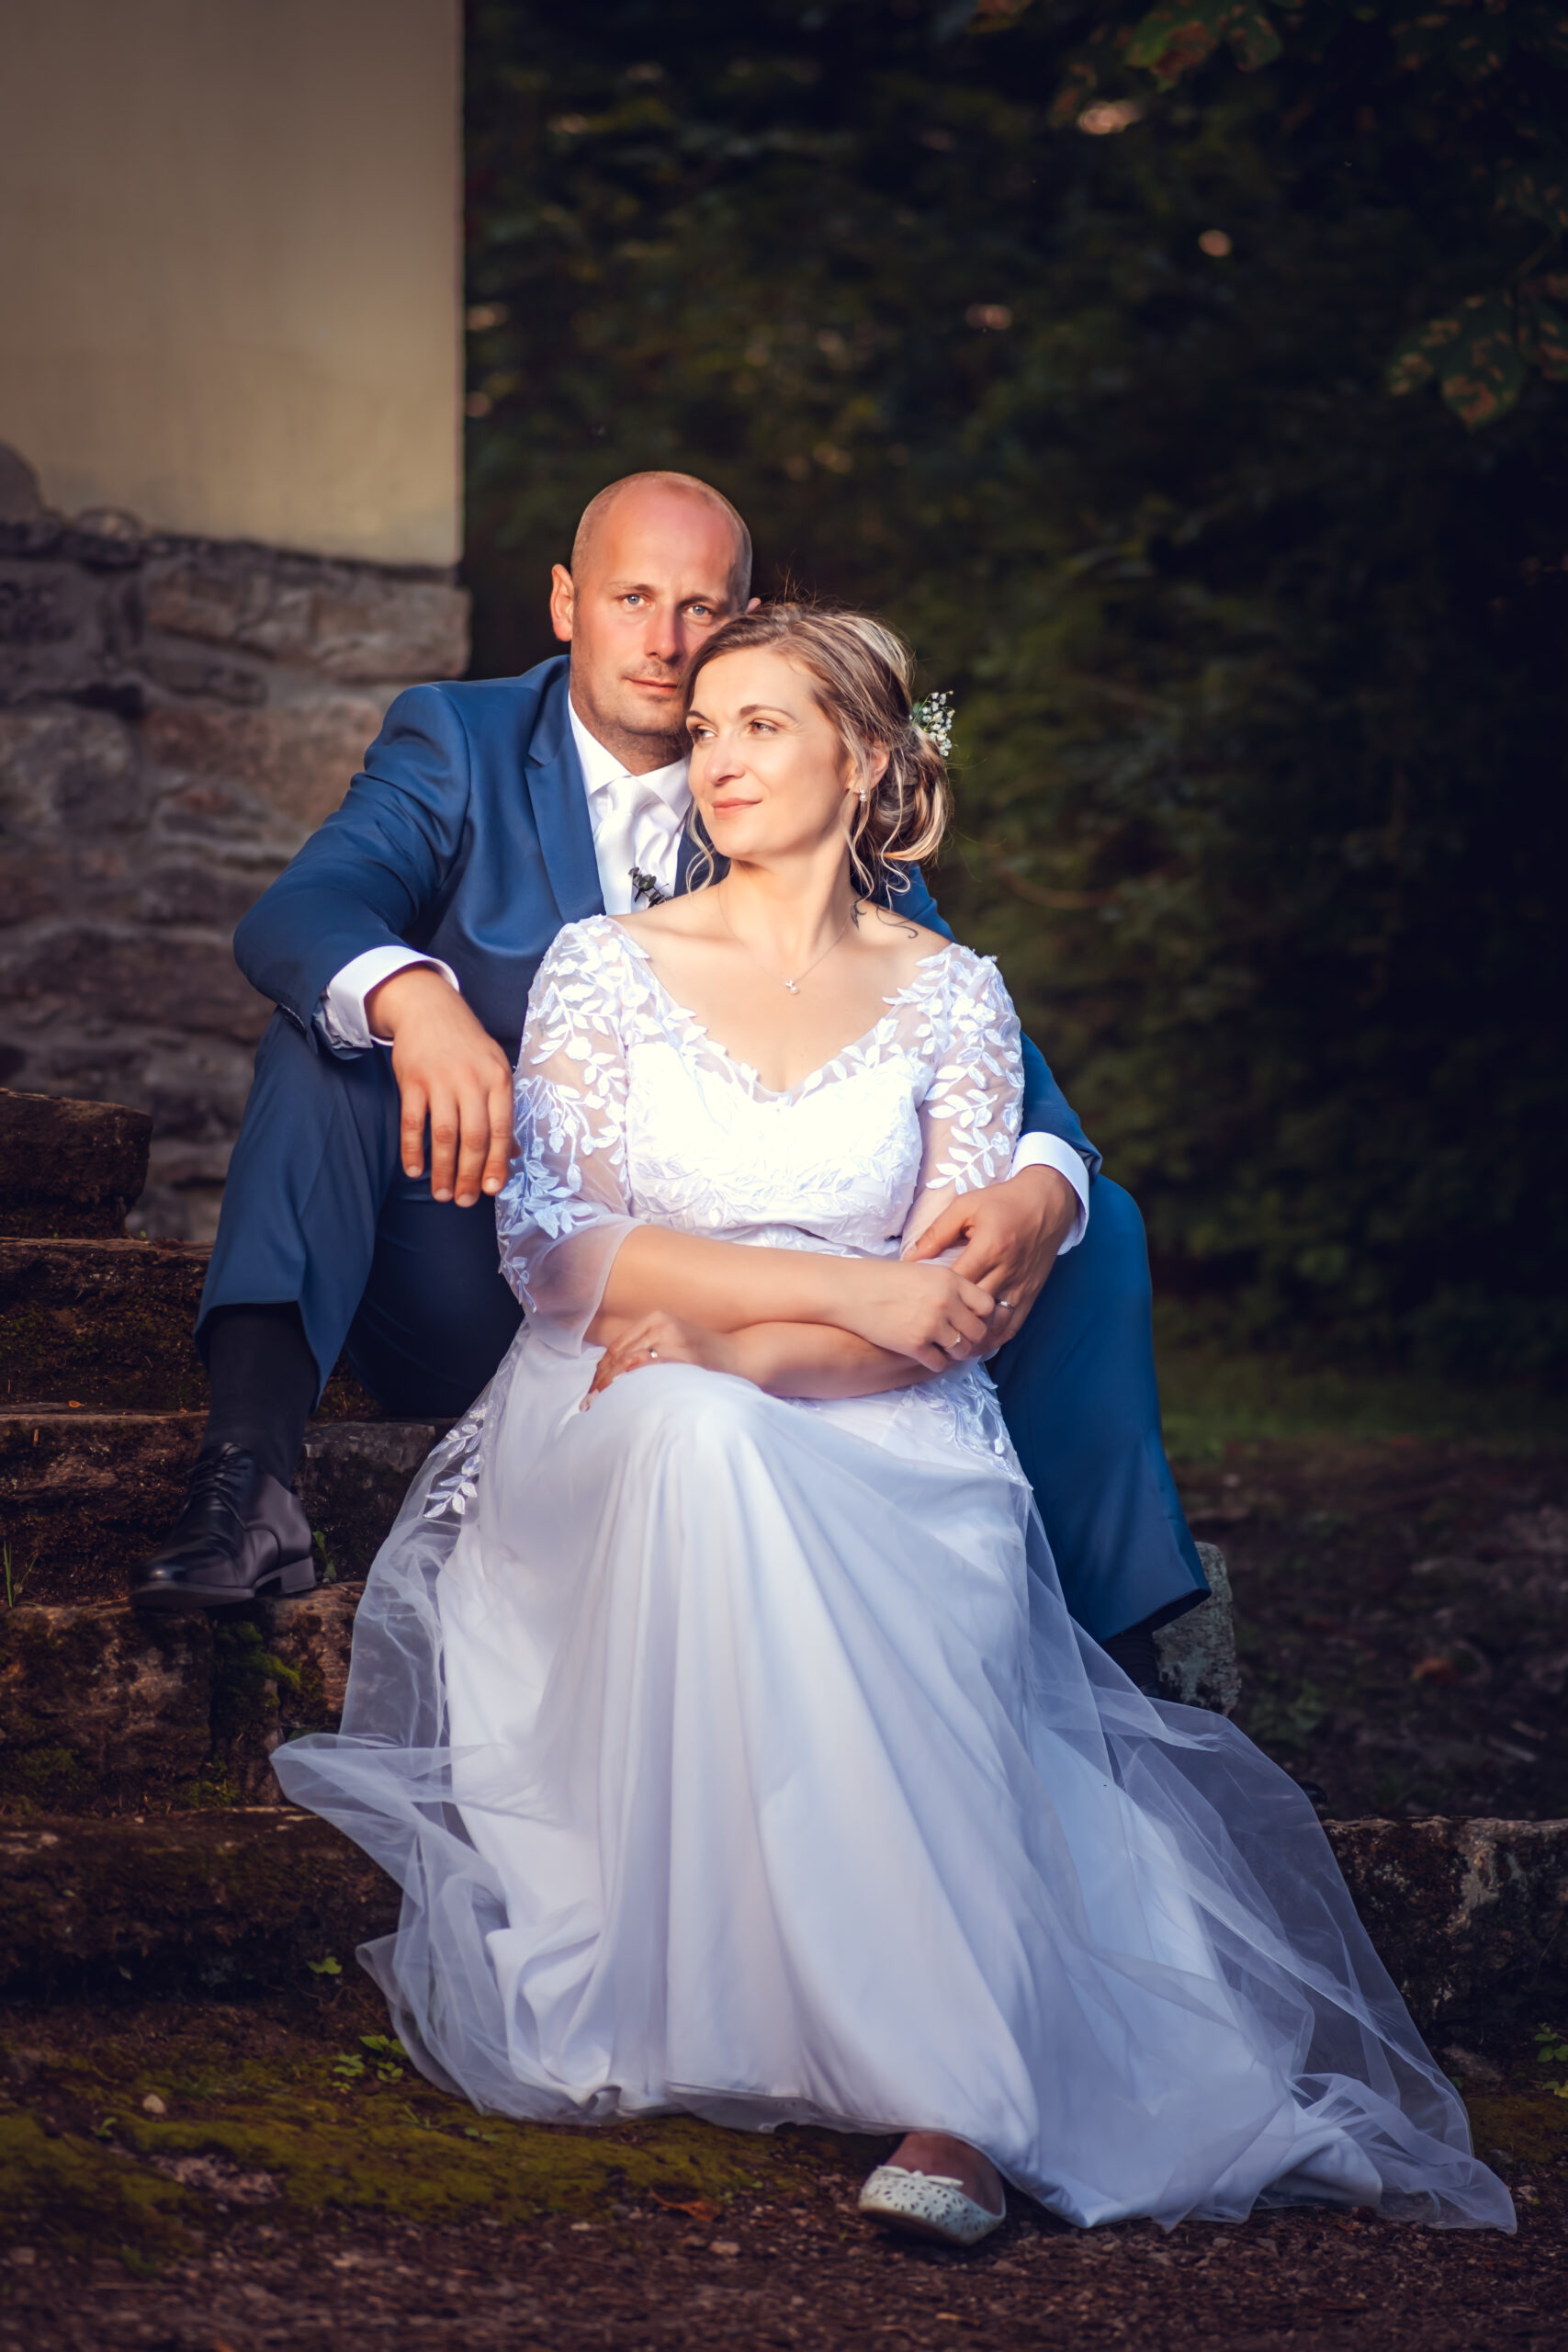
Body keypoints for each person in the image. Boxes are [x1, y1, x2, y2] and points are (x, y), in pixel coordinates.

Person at [273, 605, 1509, 2242]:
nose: (717, 761)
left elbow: (951, 1313)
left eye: (762, 725)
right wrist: (835, 1300)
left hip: (880, 1413)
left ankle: (957, 2097)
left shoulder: (952, 996)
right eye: (704, 730)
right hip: (614, 1407)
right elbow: (562, 1252)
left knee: (748, 1435)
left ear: (864, 759)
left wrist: (764, 1344)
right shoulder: (605, 965)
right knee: (699, 1441)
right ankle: (951, 2084)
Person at [129, 471, 1205, 1691]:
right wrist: (416, 997)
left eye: (702, 607)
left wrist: (1046, 1181)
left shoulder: (788, 781)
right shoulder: (462, 742)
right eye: (631, 597)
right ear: (564, 604)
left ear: (746, 621)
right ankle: (249, 1476)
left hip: (774, 1311)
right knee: (328, 1037)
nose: (665, 641)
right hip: (490, 1267)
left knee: (1090, 1218)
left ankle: (1115, 1628)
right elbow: (306, 909)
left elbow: (958, 1016)